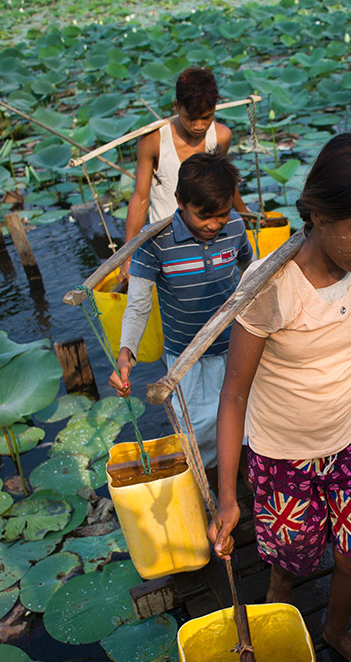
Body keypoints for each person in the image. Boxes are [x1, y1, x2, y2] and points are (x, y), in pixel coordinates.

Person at [211, 133, 351, 662]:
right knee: (288, 567)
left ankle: (336, 632)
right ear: (318, 215)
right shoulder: (269, 287)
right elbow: (233, 394)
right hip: (282, 457)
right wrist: (228, 496)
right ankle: (280, 625)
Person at [108, 151, 253, 470]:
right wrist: (125, 354)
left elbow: (250, 272)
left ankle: (244, 486)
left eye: (223, 214)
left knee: (249, 427)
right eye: (204, 216)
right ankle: (215, 494)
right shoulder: (155, 244)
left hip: (237, 348)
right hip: (188, 360)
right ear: (179, 201)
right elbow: (138, 306)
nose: (214, 225)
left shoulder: (236, 227)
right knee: (200, 436)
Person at [121, 66, 251, 254]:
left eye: (206, 117)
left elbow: (225, 185)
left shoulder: (221, 136)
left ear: (215, 107)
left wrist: (245, 214)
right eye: (191, 118)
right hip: (166, 242)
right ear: (176, 106)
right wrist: (127, 256)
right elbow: (140, 198)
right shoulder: (154, 140)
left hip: (210, 235)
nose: (199, 126)